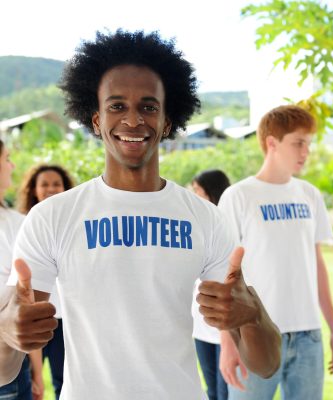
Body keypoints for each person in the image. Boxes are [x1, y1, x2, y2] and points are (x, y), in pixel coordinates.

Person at [0, 30, 281, 400]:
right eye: (117, 106)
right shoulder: (53, 217)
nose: (133, 120)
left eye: (148, 107)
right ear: (97, 119)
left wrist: (252, 315)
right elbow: (4, 369)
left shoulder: (206, 219)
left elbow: (266, 364)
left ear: (167, 121)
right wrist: (7, 330)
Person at [218, 105, 333, 399]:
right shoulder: (239, 196)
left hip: (308, 336)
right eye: (298, 143)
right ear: (272, 143)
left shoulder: (310, 194)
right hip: (254, 333)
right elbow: (222, 271)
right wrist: (227, 343)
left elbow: (317, 265)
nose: (306, 151)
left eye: (308, 144)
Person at [17, 164, 74, 400]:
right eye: (45, 184)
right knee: (31, 383)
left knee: (65, 381)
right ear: (34, 189)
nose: (51, 189)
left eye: (56, 184)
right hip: (33, 318)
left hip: (65, 320)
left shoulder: (74, 224)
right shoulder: (22, 225)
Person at [0, 139, 44, 400]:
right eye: (6, 158)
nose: (12, 165)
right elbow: (27, 304)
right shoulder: (17, 227)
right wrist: (37, 371)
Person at [191, 169, 231, 400]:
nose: (194, 195)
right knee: (212, 391)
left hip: (225, 325)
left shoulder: (226, 224)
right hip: (201, 325)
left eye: (198, 191)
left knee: (226, 390)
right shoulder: (197, 223)